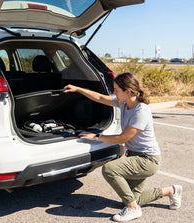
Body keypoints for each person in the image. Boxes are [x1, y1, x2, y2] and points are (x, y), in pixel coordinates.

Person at [64, 72, 182, 222]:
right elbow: (100, 98)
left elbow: (123, 138)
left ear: (128, 91)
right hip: (135, 156)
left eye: (116, 90)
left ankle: (133, 209)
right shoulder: (124, 103)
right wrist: (78, 89)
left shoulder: (141, 111)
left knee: (110, 169)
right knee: (133, 198)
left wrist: (96, 136)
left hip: (147, 160)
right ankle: (171, 191)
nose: (113, 92)